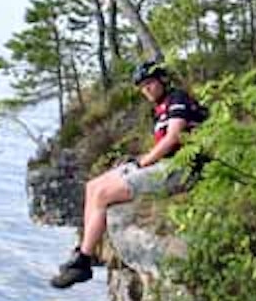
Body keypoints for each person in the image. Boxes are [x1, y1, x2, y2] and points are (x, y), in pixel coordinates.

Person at [50, 61, 208, 289]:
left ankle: (82, 263)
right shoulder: (161, 107)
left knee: (103, 194)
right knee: (93, 186)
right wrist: (139, 161)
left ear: (163, 81)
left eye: (151, 84)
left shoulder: (178, 99)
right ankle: (83, 251)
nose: (147, 90)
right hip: (166, 164)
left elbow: (173, 138)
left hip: (181, 169)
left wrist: (143, 162)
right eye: (143, 87)